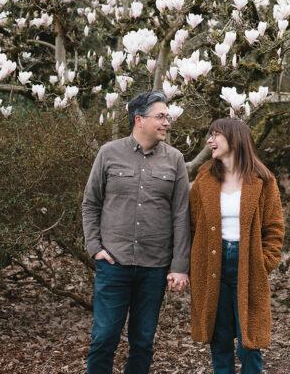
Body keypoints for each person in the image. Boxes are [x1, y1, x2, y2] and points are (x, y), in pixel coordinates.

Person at [82, 90, 190, 374]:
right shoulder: (109, 153)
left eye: (168, 117)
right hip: (113, 264)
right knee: (104, 338)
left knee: (142, 341)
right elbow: (91, 203)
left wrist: (179, 266)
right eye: (161, 116)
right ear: (139, 120)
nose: (167, 122)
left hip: (154, 267)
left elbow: (181, 215)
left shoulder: (175, 160)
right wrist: (95, 247)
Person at [189, 118, 285, 374]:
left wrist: (262, 263)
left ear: (234, 138)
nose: (209, 141)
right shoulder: (204, 179)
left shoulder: (264, 180)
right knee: (219, 341)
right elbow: (192, 224)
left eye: (215, 135)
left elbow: (274, 230)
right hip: (212, 265)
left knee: (249, 343)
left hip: (248, 265)